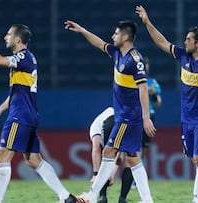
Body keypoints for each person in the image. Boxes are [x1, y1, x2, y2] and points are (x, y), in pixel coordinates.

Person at [0, 24, 84, 203]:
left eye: (9, 34)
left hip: (20, 116)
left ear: (18, 39)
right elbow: (19, 93)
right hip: (29, 115)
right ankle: (66, 197)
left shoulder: (23, 57)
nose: (5, 37)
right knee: (33, 159)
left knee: (2, 156)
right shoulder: (27, 59)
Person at [136, 5, 198, 203]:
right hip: (186, 118)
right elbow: (162, 42)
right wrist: (147, 22)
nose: (185, 41)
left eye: (188, 39)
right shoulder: (183, 56)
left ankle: (196, 200)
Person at [64, 19, 156, 203]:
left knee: (108, 151)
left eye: (116, 33)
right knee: (133, 159)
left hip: (128, 117)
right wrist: (82, 29)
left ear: (126, 36)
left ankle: (92, 195)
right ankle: (147, 200)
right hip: (125, 115)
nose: (112, 36)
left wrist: (146, 118)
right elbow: (99, 43)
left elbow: (143, 88)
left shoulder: (135, 59)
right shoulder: (117, 53)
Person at [118, 57, 162, 202]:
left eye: (147, 65)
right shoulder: (133, 80)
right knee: (133, 151)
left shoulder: (153, 82)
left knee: (143, 150)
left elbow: (158, 103)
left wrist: (153, 94)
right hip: (135, 118)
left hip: (150, 118)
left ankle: (136, 181)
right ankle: (135, 181)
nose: (146, 68)